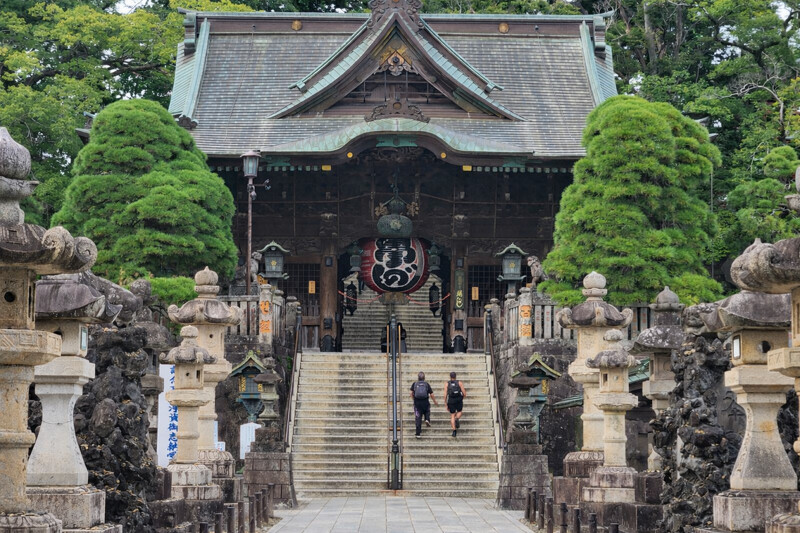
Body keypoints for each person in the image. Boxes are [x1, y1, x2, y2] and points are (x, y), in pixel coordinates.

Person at [410, 371, 438, 438]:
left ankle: (418, 434)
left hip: (417, 403)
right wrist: (434, 401)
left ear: (418, 378)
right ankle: (427, 419)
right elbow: (431, 394)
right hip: (425, 402)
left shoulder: (414, 384)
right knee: (427, 410)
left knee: (418, 418)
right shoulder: (426, 384)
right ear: (424, 378)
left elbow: (411, 393)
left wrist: (414, 399)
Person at [444, 371, 466, 437]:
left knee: (452, 415)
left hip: (451, 400)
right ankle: (457, 418)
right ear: (455, 376)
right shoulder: (459, 383)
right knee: (460, 412)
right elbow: (464, 393)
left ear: (450, 377)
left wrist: (445, 403)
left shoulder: (447, 384)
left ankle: (454, 431)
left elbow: (445, 395)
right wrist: (462, 398)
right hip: (458, 399)